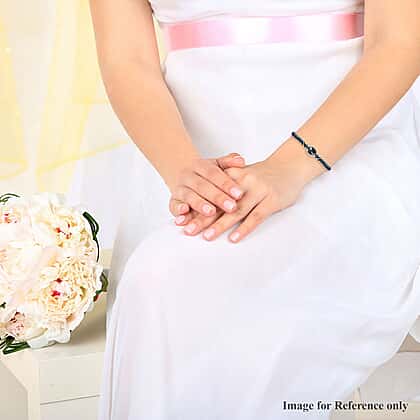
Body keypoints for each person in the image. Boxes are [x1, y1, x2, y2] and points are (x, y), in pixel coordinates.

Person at [89, 0, 420, 418]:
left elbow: (399, 43)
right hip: (183, 157)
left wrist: (292, 166)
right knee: (156, 284)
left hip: (345, 152)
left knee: (167, 275)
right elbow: (127, 59)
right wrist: (187, 174)